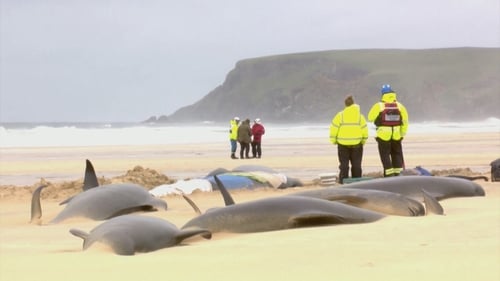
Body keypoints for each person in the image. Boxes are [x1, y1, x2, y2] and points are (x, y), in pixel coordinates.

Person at [367, 84, 409, 177]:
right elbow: (405, 121)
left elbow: (370, 118)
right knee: (397, 154)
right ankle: (398, 173)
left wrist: (375, 132)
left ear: (382, 94)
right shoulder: (400, 106)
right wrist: (402, 134)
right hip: (397, 135)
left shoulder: (378, 106)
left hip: (383, 135)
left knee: (385, 155)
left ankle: (389, 174)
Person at [329, 95, 368, 184]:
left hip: (342, 144)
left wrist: (334, 140)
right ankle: (357, 182)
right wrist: (363, 140)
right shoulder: (360, 116)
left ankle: (343, 181)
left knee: (344, 165)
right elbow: (364, 129)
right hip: (357, 144)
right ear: (353, 103)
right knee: (356, 165)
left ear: (345, 105)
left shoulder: (340, 115)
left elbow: (334, 128)